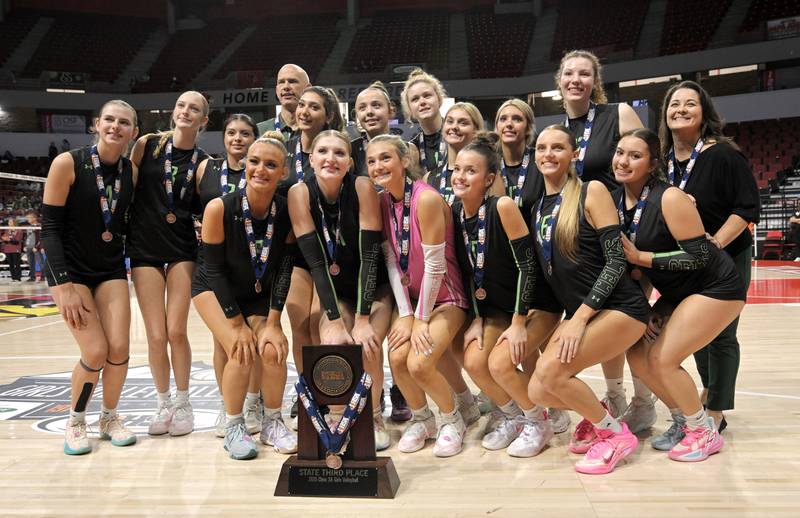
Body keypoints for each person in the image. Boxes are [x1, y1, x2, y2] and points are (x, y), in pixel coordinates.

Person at [613, 128, 745, 461]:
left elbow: (700, 255)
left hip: (716, 287)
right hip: (677, 292)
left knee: (662, 358)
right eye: (619, 152)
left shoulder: (669, 196)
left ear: (652, 163)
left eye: (635, 155)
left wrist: (643, 258)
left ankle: (704, 432)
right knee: (638, 354)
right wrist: (648, 309)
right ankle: (681, 419)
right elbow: (638, 273)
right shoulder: (617, 201)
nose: (623, 161)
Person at [526, 125, 649, 475]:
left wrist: (578, 318)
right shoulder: (538, 208)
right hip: (585, 313)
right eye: (542, 148)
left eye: (558, 147)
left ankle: (614, 436)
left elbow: (615, 261)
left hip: (620, 308)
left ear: (574, 154)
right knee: (538, 389)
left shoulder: (591, 191)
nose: (548, 154)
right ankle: (599, 419)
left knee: (551, 372)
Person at [451, 132, 562, 457]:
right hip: (497, 308)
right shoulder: (456, 214)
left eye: (471, 171)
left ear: (488, 179)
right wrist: (476, 318)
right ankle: (514, 416)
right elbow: (469, 272)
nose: (461, 176)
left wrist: (518, 322)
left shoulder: (503, 207)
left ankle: (538, 421)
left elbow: (528, 267)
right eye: (458, 168)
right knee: (473, 361)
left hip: (537, 304)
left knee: (500, 364)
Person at [658, 80, 760, 432]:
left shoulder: (724, 154)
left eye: (690, 104)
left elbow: (747, 207)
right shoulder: (661, 161)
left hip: (726, 254)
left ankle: (717, 409)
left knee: (723, 333)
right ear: (665, 113)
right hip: (686, 262)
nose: (681, 109)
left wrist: (715, 242)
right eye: (674, 103)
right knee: (697, 334)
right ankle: (707, 391)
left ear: (704, 114)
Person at [40, 99, 139, 454]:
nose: (116, 126)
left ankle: (109, 417)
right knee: (95, 351)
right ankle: (76, 420)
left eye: (124, 122)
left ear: (134, 131)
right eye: (109, 120)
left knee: (120, 349)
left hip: (110, 268)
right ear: (96, 124)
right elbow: (49, 228)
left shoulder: (132, 171)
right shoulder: (67, 163)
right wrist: (63, 286)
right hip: (72, 272)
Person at [366, 134, 473, 457]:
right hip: (413, 303)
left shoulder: (425, 198)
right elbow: (390, 260)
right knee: (397, 357)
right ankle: (423, 418)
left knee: (420, 364)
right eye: (371, 161)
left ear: (404, 161)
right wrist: (407, 313)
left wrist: (421, 319)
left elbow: (435, 265)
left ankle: (452, 419)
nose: (377, 166)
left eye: (385, 158)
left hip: (446, 299)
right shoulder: (382, 201)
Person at [192, 132, 297, 460]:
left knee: (273, 347)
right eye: (254, 162)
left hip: (257, 293)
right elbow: (214, 270)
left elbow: (284, 270)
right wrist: (236, 323)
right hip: (213, 288)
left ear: (284, 172)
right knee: (240, 348)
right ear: (245, 165)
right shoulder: (218, 208)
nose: (260, 169)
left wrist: (275, 322)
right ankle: (235, 424)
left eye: (271, 164)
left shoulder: (287, 211)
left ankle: (272, 421)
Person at [556, 49, 647, 422]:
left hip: (624, 233)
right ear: (559, 82)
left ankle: (646, 402)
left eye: (584, 74)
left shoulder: (618, 114)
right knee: (605, 320)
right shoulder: (559, 131)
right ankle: (616, 396)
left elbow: (645, 158)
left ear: (595, 81)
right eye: (569, 74)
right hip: (583, 243)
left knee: (630, 323)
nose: (576, 80)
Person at [288, 130, 393, 451]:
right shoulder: (299, 193)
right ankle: (339, 414)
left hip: (373, 287)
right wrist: (333, 319)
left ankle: (374, 415)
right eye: (323, 151)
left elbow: (371, 255)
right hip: (337, 288)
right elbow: (316, 263)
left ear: (349, 162)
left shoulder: (362, 187)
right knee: (331, 340)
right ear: (311, 158)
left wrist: (362, 318)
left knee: (369, 343)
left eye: (339, 153)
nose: (330, 158)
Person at [127, 91, 209, 437]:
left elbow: (205, 209)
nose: (185, 111)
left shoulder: (204, 162)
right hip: (144, 246)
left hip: (181, 249)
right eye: (181, 106)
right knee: (156, 334)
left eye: (194, 108)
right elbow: (125, 187)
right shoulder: (147, 144)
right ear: (173, 112)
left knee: (176, 330)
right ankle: (162, 402)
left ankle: (184, 401)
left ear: (204, 121)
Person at [193, 114, 261, 437]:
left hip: (253, 268)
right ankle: (228, 404)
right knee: (225, 342)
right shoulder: (207, 169)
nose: (237, 138)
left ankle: (254, 401)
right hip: (216, 268)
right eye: (231, 132)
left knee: (255, 340)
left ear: (255, 138)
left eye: (245, 133)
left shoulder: (261, 170)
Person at [282, 86, 345, 427]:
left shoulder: (335, 149)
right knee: (299, 326)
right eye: (302, 105)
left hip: (330, 250)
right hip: (294, 252)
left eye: (314, 107)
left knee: (320, 322)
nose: (305, 111)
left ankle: (330, 388)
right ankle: (306, 391)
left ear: (329, 115)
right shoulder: (285, 148)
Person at [427, 102, 484, 206]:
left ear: (476, 130)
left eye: (463, 123)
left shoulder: (485, 174)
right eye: (449, 121)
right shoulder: (429, 177)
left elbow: (497, 219)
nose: (454, 126)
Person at [402, 69, 447, 178]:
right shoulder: (412, 149)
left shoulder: (458, 135)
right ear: (409, 109)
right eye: (415, 99)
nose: (422, 102)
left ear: (439, 99)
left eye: (427, 95)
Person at [351, 81, 397, 177]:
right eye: (362, 108)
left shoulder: (408, 149)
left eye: (376, 105)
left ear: (390, 110)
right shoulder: (349, 151)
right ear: (357, 115)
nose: (369, 112)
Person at [257, 64, 310, 139]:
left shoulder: (318, 131)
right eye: (281, 82)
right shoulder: (258, 132)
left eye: (292, 81)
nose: (286, 87)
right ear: (276, 90)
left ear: (308, 88)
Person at [24, 212, 42, 281]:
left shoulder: (39, 226)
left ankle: (43, 277)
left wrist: (37, 247)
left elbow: (40, 238)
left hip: (36, 248)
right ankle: (32, 277)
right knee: (30, 263)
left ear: (34, 218)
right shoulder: (28, 227)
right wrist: (25, 245)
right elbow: (27, 237)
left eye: (29, 218)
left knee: (40, 262)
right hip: (29, 247)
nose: (28, 219)